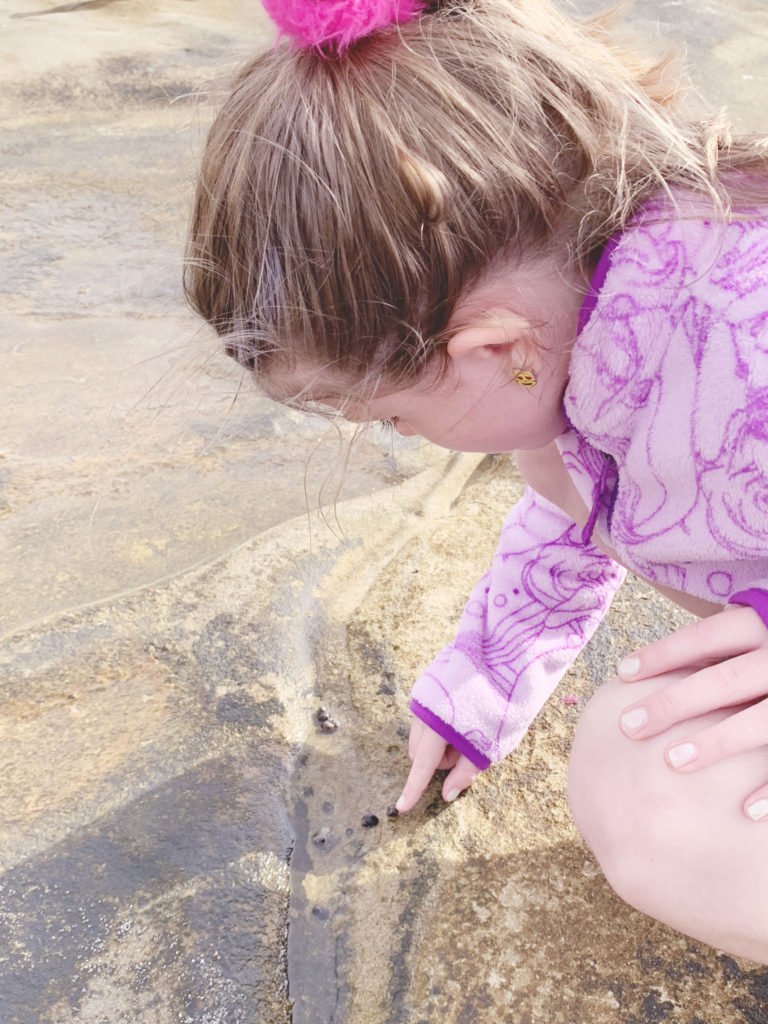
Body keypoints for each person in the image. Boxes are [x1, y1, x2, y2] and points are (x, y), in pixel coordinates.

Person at [184, 0, 768, 963]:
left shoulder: (739, 333)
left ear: (497, 346)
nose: (414, 444)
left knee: (653, 801)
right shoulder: (602, 334)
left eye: (396, 417)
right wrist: (482, 687)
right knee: (638, 748)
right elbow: (570, 504)